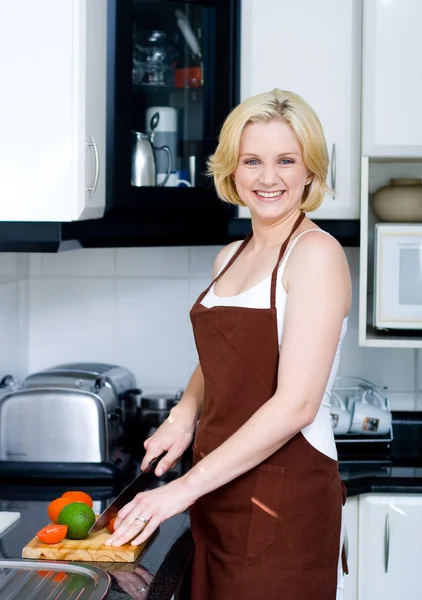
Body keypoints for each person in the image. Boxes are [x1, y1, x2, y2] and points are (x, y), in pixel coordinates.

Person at [105, 88, 352, 600]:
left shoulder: (316, 255)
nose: (268, 178)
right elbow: (220, 358)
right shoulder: (231, 257)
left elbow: (296, 405)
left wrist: (179, 491)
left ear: (309, 171)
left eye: (286, 160)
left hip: (284, 501)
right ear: (231, 171)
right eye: (252, 161)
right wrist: (184, 413)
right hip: (218, 490)